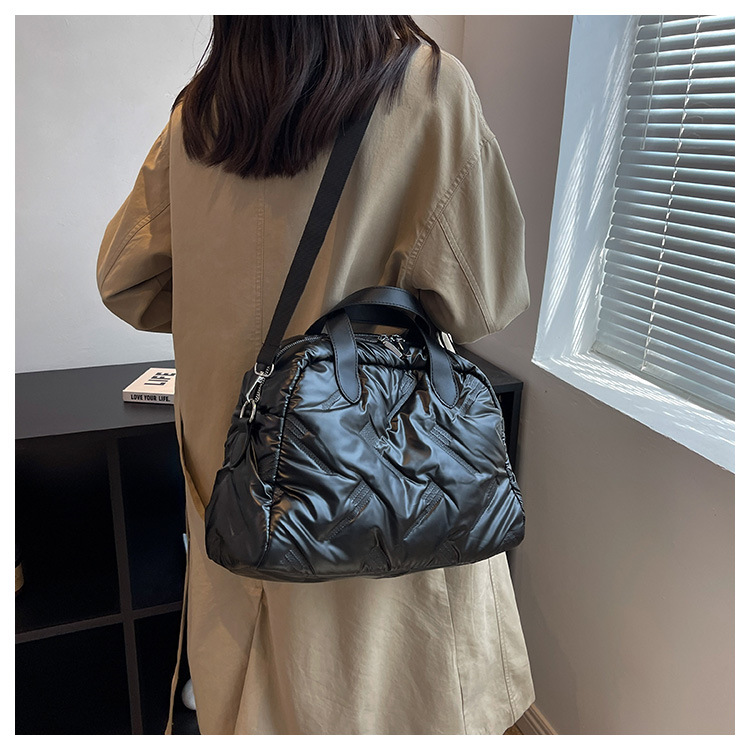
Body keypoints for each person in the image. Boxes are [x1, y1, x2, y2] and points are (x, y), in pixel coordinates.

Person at [97, 15, 534, 735]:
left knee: (251, 701)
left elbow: (126, 281)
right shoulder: (428, 88)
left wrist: (223, 310)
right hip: (382, 502)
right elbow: (483, 299)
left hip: (242, 504)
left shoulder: (202, 111)